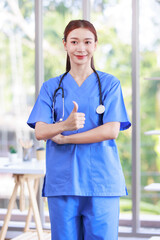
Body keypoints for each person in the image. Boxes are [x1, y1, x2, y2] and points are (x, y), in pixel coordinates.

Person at [27, 19, 131, 240]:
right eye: (74, 41)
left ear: (95, 45)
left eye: (87, 42)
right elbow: (40, 131)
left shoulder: (110, 84)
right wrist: (65, 125)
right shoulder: (51, 87)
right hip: (64, 182)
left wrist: (67, 138)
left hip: (102, 182)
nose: (80, 48)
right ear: (65, 44)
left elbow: (111, 130)